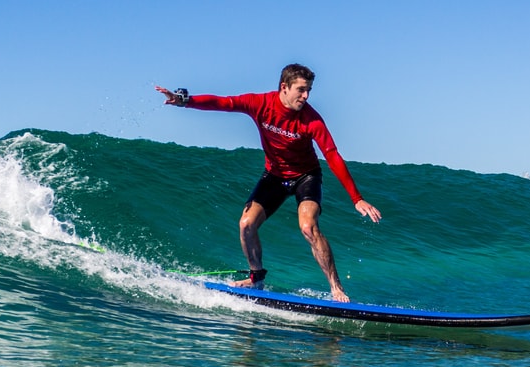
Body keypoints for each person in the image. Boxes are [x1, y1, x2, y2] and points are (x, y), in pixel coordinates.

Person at [156, 63, 381, 302]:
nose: (306, 96)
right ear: (284, 87)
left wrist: (356, 198)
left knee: (308, 227)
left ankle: (336, 288)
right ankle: (256, 278)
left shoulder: (311, 120)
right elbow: (225, 103)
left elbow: (332, 154)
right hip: (274, 175)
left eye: (309, 91)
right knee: (246, 224)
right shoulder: (260, 103)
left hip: (306, 176)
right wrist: (185, 101)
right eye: (301, 90)